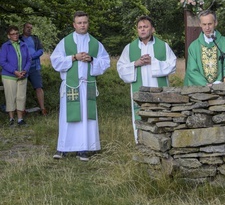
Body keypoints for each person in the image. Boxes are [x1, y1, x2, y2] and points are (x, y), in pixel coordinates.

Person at [50, 11, 110, 161]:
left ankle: (84, 149)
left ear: (88, 23)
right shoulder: (65, 42)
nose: (82, 25)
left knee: (86, 119)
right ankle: (63, 148)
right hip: (71, 85)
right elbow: (55, 61)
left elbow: (105, 62)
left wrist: (91, 59)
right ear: (74, 24)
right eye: (79, 23)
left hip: (87, 85)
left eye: (85, 22)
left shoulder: (95, 43)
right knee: (67, 118)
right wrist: (73, 57)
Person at [117, 15, 177, 142]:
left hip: (157, 88)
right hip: (139, 88)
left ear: (153, 29)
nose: (143, 29)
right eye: (140, 27)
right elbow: (121, 69)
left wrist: (153, 62)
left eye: (146, 27)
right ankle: (141, 142)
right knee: (141, 116)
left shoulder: (163, 46)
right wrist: (135, 64)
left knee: (159, 115)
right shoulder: (129, 48)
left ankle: (161, 142)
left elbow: (173, 65)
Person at [184, 10, 225, 87]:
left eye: (210, 24)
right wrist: (205, 84)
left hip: (221, 87)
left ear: (215, 23)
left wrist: (218, 82)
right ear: (200, 24)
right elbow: (192, 70)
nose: (207, 28)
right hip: (200, 90)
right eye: (204, 24)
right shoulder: (194, 46)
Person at [0, 25, 31, 126]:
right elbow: (2, 62)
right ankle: (11, 119)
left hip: (22, 75)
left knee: (21, 97)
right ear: (9, 36)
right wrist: (14, 71)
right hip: (9, 76)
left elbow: (29, 59)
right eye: (12, 34)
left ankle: (20, 119)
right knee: (11, 97)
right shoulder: (5, 46)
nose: (15, 35)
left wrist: (24, 70)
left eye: (17, 33)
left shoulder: (23, 45)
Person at [20, 22, 47, 115]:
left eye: (31, 28)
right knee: (22, 88)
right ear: (23, 28)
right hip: (22, 68)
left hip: (34, 67)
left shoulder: (35, 38)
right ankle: (21, 110)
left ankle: (43, 109)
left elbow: (40, 50)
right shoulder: (19, 39)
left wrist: (31, 57)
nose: (29, 29)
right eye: (27, 27)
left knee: (38, 87)